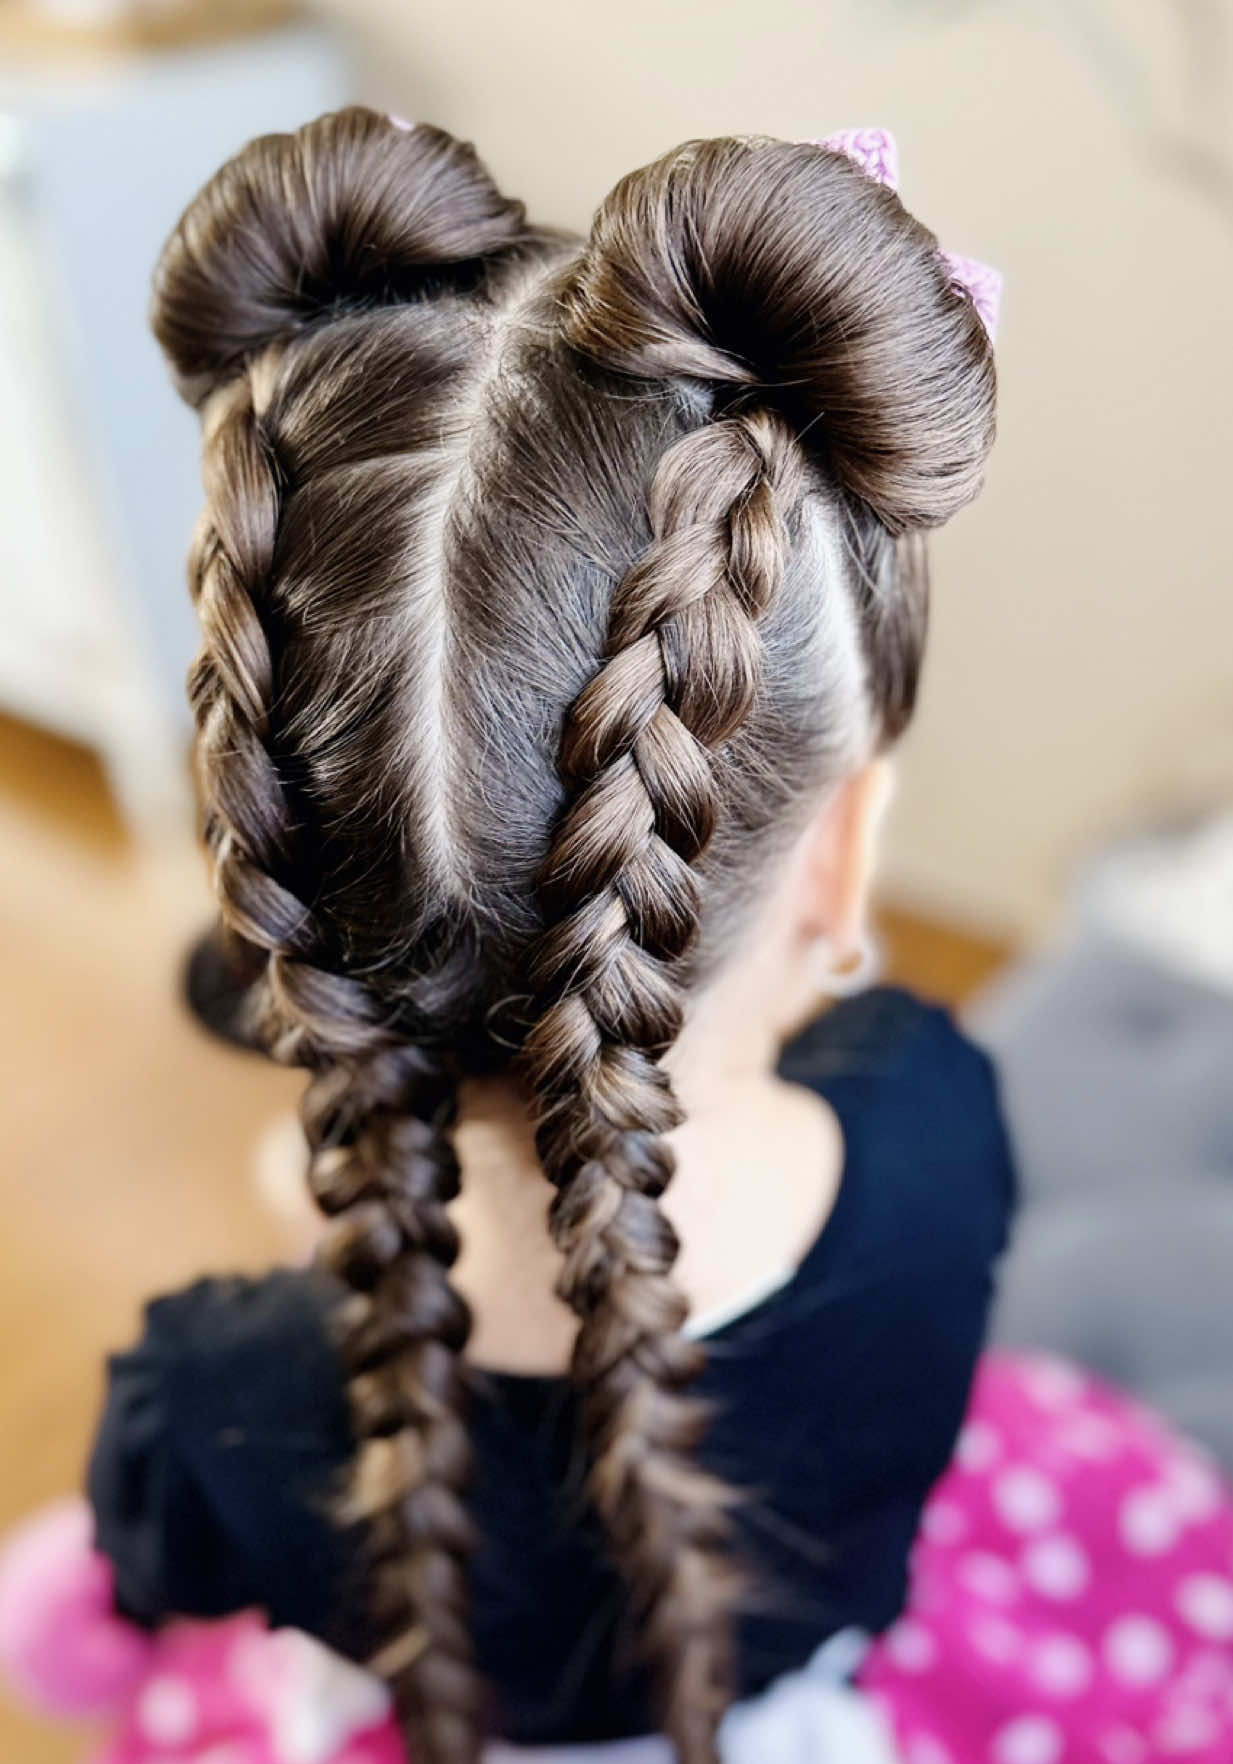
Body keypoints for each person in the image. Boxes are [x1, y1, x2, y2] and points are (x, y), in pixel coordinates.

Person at [30, 111, 1229, 1764]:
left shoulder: (219, 1399)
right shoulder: (932, 1119)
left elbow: (115, 1596)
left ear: (284, 875)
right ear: (840, 859)